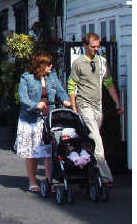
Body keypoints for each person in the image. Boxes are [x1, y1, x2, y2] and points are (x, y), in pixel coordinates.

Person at [68, 32, 124, 186]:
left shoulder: (102, 62)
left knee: (91, 141)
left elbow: (109, 83)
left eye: (98, 47)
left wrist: (117, 102)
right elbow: (72, 85)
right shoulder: (78, 63)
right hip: (84, 105)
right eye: (92, 47)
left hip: (97, 105)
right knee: (97, 140)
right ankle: (106, 176)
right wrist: (74, 107)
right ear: (85, 46)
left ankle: (86, 168)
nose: (95, 49)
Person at [16, 51, 71, 192]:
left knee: (49, 152)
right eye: (48, 64)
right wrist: (35, 104)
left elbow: (60, 91)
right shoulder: (27, 78)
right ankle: (32, 181)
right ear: (40, 65)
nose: (51, 66)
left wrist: (66, 100)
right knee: (32, 152)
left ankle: (48, 180)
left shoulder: (52, 77)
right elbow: (23, 97)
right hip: (31, 120)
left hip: (48, 119)